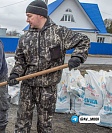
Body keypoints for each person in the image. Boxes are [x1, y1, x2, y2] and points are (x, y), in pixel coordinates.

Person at [7, 1, 90, 133]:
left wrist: (77, 57)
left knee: (45, 125)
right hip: (28, 86)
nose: (27, 19)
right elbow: (20, 61)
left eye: (29, 16)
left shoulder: (59, 33)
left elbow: (84, 40)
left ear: (40, 15)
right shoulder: (25, 38)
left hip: (48, 88)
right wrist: (15, 74)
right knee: (22, 122)